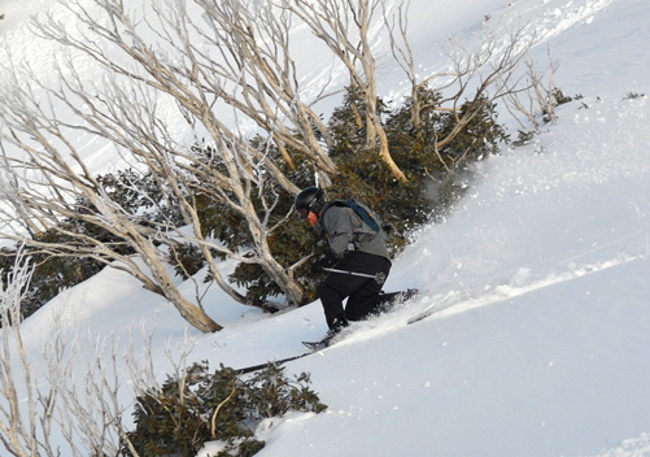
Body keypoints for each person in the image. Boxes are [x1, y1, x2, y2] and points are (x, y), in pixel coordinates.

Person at [295, 186, 393, 338]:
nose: (304, 217)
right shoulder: (340, 211)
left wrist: (327, 259)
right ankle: (405, 301)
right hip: (381, 262)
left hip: (367, 257)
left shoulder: (332, 212)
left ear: (315, 206)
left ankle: (338, 328)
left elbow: (342, 236)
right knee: (357, 309)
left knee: (328, 289)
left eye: (303, 212)